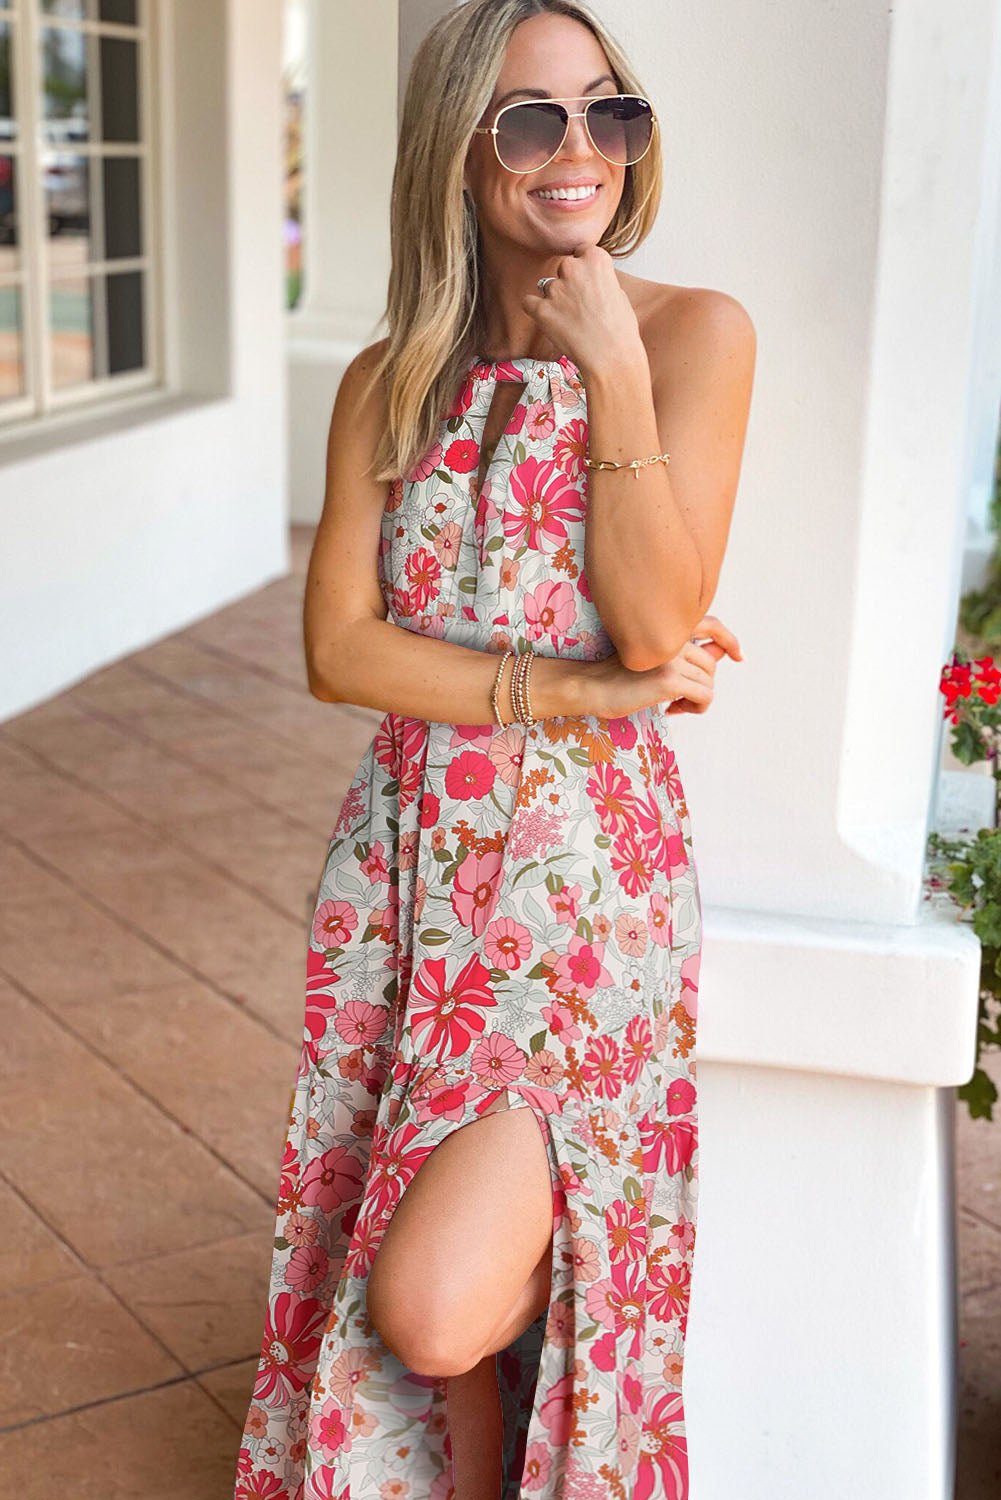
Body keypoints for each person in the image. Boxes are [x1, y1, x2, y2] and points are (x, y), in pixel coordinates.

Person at [234, 2, 755, 1497]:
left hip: (581, 891)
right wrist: (566, 694)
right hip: (403, 869)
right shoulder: (389, 377)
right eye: (532, 119)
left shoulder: (691, 335)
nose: (577, 148)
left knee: (432, 1295)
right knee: (397, 1268)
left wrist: (614, 371)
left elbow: (657, 622)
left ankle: (584, 1317)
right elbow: (343, 654)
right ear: (459, 153)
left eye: (609, 111)